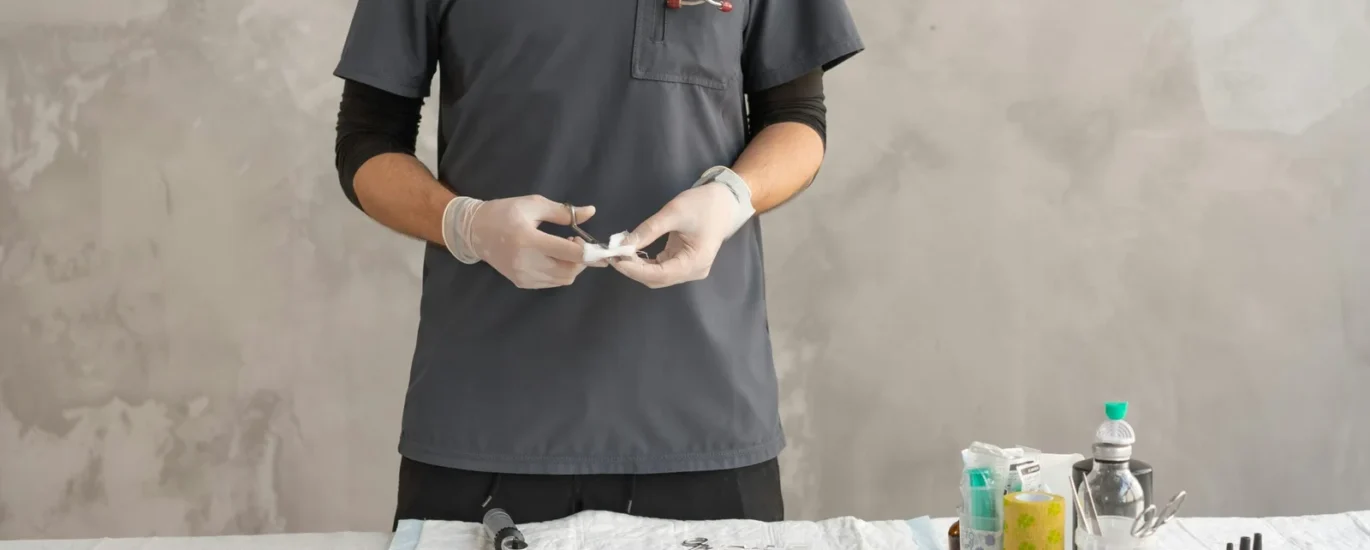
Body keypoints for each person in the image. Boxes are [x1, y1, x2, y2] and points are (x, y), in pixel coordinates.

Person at [332, 0, 863, 527]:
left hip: (703, 418)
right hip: (485, 416)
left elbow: (796, 117)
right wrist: (464, 223)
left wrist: (731, 197)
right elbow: (368, 136)